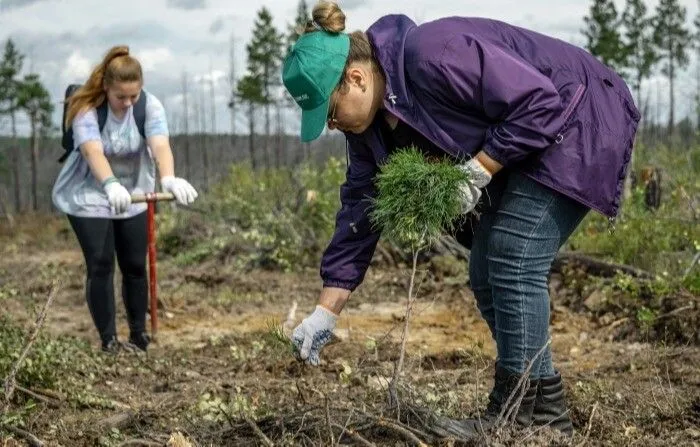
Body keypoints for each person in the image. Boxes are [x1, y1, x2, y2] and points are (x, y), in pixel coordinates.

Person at [281, 0, 640, 440]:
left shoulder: (435, 54)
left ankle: (517, 412)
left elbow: (540, 101)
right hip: (535, 134)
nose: (332, 127)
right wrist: (325, 312)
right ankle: (544, 407)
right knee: (485, 269)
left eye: (331, 113)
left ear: (355, 78)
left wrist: (481, 168)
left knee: (512, 256)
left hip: (579, 113)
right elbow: (359, 213)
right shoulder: (369, 134)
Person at [52, 45, 198, 354]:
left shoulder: (149, 106)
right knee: (101, 264)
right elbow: (93, 151)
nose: (129, 103)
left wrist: (169, 177)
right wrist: (109, 183)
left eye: (134, 95)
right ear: (107, 88)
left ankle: (138, 334)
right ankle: (108, 340)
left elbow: (159, 144)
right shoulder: (86, 108)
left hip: (132, 192)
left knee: (134, 264)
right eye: (121, 97)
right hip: (88, 195)